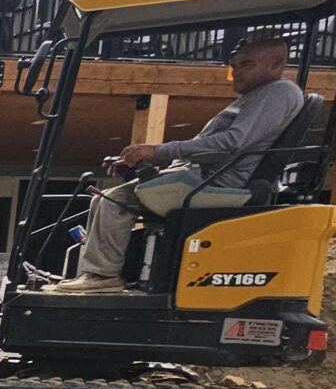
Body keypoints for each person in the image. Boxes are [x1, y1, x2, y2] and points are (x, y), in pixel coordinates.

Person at [53, 37, 303, 292]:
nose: (236, 71)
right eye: (234, 65)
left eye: (246, 64)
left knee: (113, 201)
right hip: (205, 176)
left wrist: (157, 151)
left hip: (216, 183)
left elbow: (232, 143)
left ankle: (103, 276)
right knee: (105, 198)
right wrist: (145, 163)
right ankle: (99, 273)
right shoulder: (258, 96)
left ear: (277, 63)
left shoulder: (278, 93)